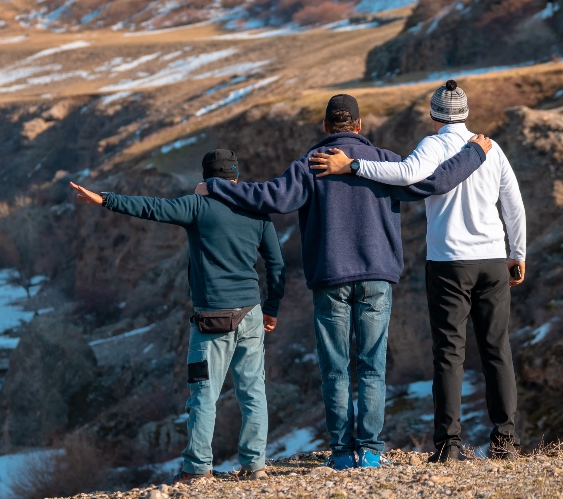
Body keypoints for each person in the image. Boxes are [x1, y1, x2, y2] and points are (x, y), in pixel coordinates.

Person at [196, 94, 493, 470]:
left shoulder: (311, 163)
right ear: (358, 125)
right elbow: (433, 182)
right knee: (372, 367)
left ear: (325, 127)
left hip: (330, 278)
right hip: (377, 277)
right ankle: (370, 450)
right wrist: (474, 154)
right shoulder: (384, 162)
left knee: (335, 369)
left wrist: (217, 187)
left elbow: (269, 196)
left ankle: (340, 452)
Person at [309, 80, 525, 462]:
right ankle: (506, 442)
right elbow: (513, 204)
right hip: (492, 260)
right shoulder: (493, 148)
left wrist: (353, 165)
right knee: (497, 350)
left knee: (448, 353)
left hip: (448, 262)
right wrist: (517, 252)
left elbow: (407, 174)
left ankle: (449, 445)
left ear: (434, 113)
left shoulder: (433, 145)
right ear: (466, 113)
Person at [69, 149, 286, 484]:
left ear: (206, 179)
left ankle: (198, 470)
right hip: (251, 315)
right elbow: (276, 264)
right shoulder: (257, 210)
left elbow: (151, 208)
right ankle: (255, 466)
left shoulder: (197, 206)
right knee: (253, 391)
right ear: (236, 178)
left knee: (203, 393)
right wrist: (271, 307)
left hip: (212, 319)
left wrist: (104, 200)